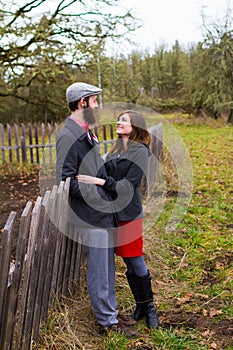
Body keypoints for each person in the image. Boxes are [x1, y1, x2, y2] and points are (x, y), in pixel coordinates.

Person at [56, 82, 136, 337]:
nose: (98, 106)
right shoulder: (68, 134)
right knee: (99, 269)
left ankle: (110, 312)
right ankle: (106, 322)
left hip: (101, 212)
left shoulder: (85, 130)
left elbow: (91, 172)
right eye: (94, 101)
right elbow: (67, 180)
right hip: (90, 215)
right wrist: (100, 198)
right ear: (82, 103)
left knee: (107, 268)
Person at [77, 110, 159, 329]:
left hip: (129, 214)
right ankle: (140, 307)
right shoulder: (114, 150)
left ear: (136, 127)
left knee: (134, 260)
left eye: (124, 120)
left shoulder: (140, 151)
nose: (119, 122)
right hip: (110, 215)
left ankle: (149, 308)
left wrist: (101, 182)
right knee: (124, 262)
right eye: (119, 119)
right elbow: (102, 172)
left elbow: (127, 185)